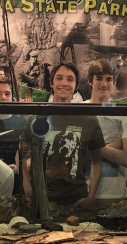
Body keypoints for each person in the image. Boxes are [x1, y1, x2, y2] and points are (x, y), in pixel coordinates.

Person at [23, 62, 105, 207]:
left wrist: (91, 196)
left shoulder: (89, 119)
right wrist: (28, 188)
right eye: (59, 78)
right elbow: (21, 154)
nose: (64, 83)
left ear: (76, 85)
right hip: (41, 200)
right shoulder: (36, 117)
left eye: (70, 79)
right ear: (51, 83)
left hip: (77, 200)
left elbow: (97, 161)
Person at [85, 59, 127, 202]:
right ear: (90, 81)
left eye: (109, 79)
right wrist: (114, 146)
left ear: (114, 82)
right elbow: (75, 153)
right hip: (81, 191)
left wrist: (92, 146)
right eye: (99, 79)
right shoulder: (77, 110)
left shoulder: (125, 113)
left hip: (116, 195)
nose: (104, 84)